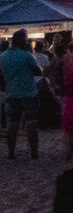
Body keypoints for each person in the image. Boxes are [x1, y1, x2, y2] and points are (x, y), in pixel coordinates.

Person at [2, 28, 44, 160]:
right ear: (23, 42)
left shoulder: (2, 56)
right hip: (29, 93)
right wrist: (31, 53)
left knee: (12, 124)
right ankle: (34, 153)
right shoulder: (26, 56)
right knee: (31, 123)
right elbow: (38, 71)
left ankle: (11, 153)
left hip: (12, 93)